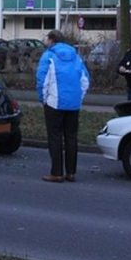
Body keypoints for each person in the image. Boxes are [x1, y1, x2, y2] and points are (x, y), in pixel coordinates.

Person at [35, 30, 90, 183]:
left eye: (47, 38)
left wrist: (43, 99)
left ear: (52, 40)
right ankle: (71, 172)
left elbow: (42, 80)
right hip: (73, 103)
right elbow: (85, 80)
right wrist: (79, 97)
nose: (45, 40)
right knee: (71, 137)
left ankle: (57, 172)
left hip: (54, 102)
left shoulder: (48, 56)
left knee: (55, 137)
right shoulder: (76, 56)